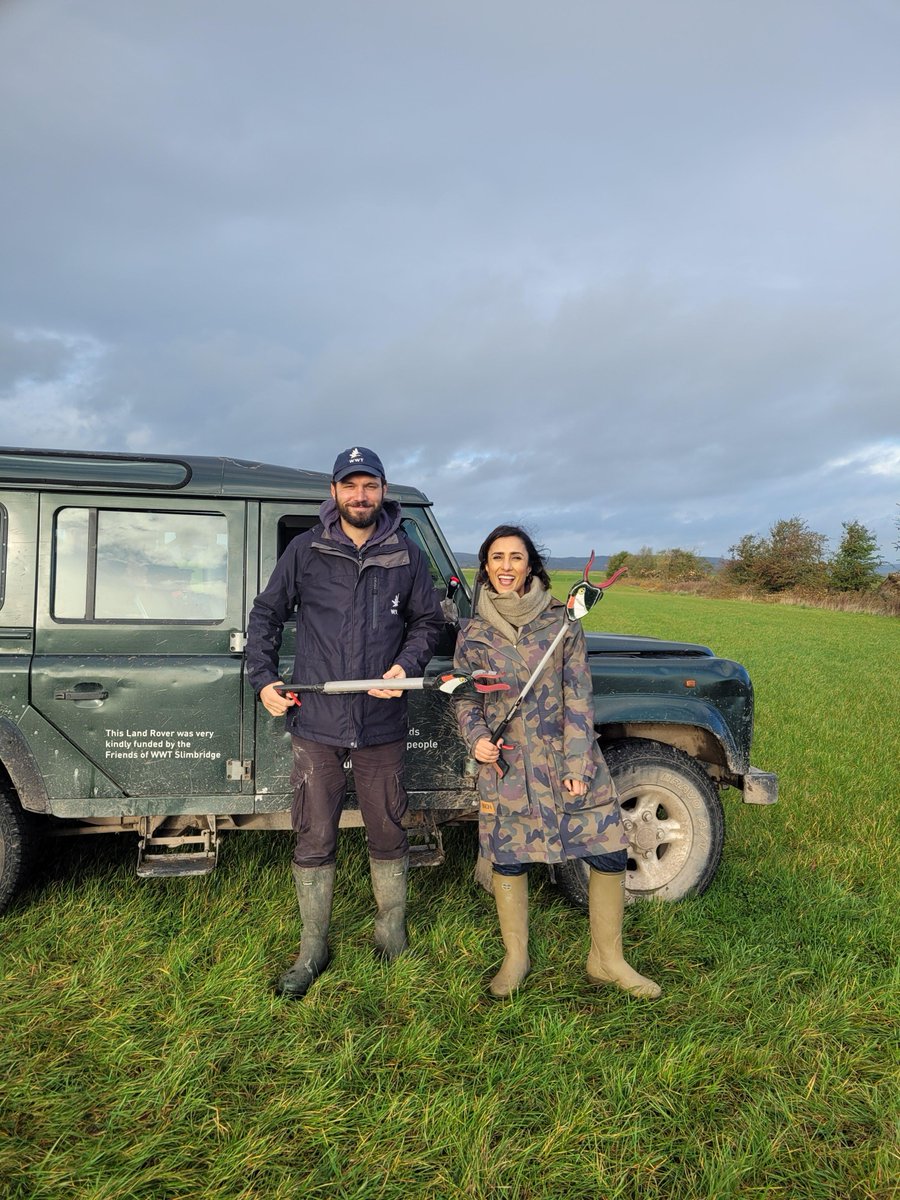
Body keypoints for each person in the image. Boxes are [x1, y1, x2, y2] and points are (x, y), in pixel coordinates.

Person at [246, 447, 444, 999]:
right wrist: (263, 679)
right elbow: (265, 615)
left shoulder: (406, 554)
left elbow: (428, 622)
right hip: (318, 723)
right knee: (315, 834)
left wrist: (406, 666)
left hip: (381, 719)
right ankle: (313, 949)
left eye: (370, 485)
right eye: (350, 485)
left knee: (387, 829)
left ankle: (392, 933)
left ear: (383, 490)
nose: (360, 496)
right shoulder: (306, 551)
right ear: (334, 492)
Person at [453, 525, 661, 1000]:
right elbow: (463, 696)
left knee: (607, 849)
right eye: (497, 558)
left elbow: (579, 694)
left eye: (516, 558)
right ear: (485, 566)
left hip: (565, 759)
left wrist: (576, 764)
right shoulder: (473, 631)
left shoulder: (561, 621)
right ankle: (516, 957)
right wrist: (477, 738)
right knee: (508, 856)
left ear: (531, 565)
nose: (506, 567)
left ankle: (606, 960)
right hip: (506, 765)